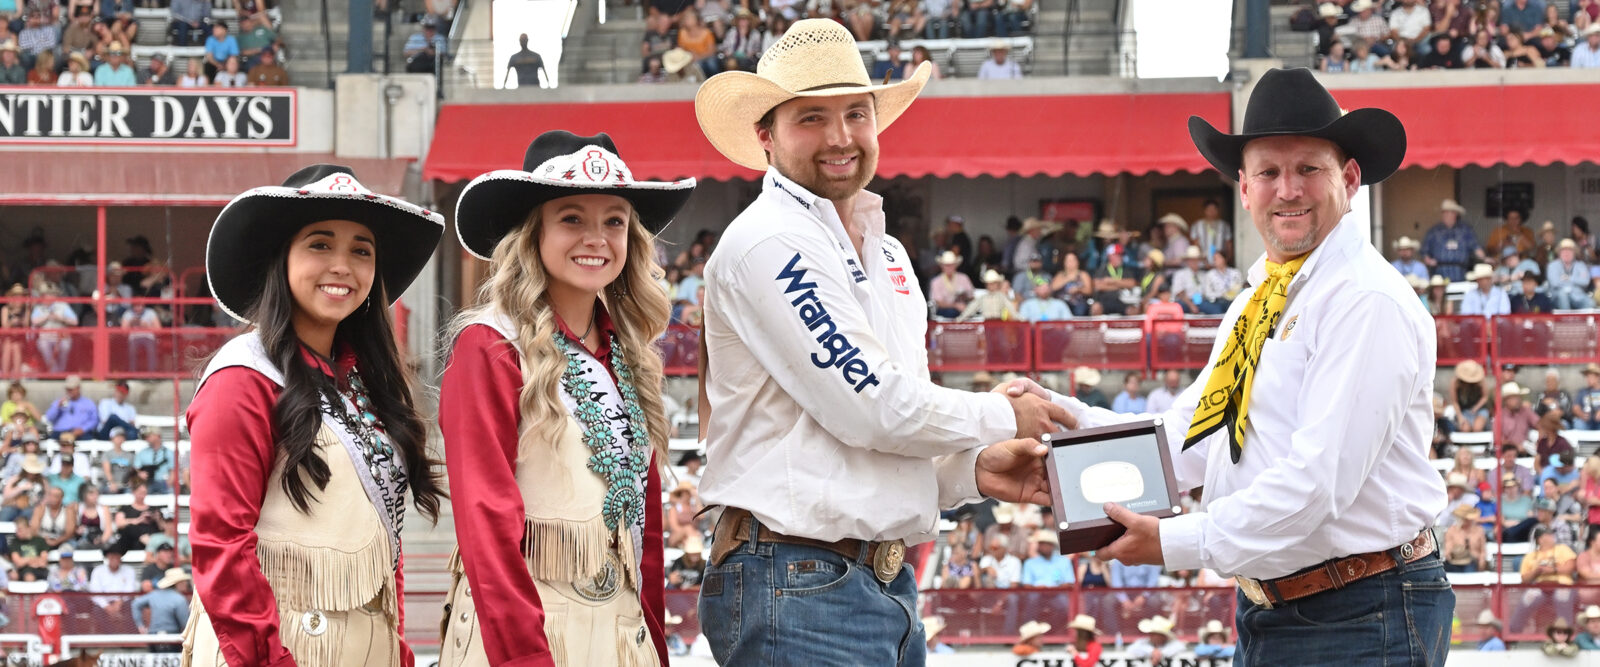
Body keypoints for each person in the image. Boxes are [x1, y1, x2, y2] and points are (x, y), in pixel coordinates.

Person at [1012, 68, 1450, 664]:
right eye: (1269, 172)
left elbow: (1317, 485)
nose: (1287, 189)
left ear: (1348, 179)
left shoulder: (1363, 298)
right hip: (1302, 604)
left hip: (1358, 608)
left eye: (1308, 169)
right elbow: (1197, 433)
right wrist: (1068, 423)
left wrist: (1172, 540)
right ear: (1244, 188)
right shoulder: (1260, 298)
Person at [690, 20, 1069, 665]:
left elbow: (878, 425)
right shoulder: (770, 240)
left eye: (856, 114)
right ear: (766, 136)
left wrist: (970, 471)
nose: (840, 137)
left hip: (859, 578)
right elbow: (871, 408)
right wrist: (1001, 413)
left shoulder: (886, 250)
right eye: (812, 118)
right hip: (798, 578)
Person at [439, 131, 696, 666]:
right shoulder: (489, 344)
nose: (596, 238)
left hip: (622, 641)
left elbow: (644, 534)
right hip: (527, 639)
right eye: (572, 218)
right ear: (532, 233)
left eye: (614, 221)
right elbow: (486, 521)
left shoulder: (629, 358)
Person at [183, 164, 446, 667]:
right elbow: (221, 544)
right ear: (279, 258)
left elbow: (381, 540)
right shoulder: (241, 378)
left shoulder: (365, 386)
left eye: (361, 250)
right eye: (320, 245)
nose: (343, 265)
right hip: (276, 647)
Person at [132, 568, 192, 642]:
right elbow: (185, 623)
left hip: (153, 636)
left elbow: (135, 604)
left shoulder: (154, 595)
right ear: (178, 583)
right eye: (183, 582)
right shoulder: (179, 599)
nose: (186, 584)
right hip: (172, 636)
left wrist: (140, 626)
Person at [45, 375, 98, 440]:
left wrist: (83, 429)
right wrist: (57, 407)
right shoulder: (59, 402)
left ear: (78, 388)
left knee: (89, 438)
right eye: (67, 389)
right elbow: (49, 418)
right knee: (52, 438)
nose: (69, 391)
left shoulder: (88, 403)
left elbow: (94, 420)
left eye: (71, 389)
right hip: (60, 432)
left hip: (81, 433)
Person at [929, 250, 974, 318]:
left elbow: (971, 297)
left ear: (955, 265)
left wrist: (964, 296)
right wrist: (956, 305)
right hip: (945, 310)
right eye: (946, 265)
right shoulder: (936, 281)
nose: (949, 267)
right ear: (942, 266)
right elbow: (939, 302)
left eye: (951, 265)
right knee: (952, 312)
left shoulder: (964, 278)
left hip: (964, 308)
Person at [1442, 504, 1486, 572]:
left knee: (1469, 568)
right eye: (1465, 519)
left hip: (1473, 562)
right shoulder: (1452, 530)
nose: (1468, 521)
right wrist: (1450, 554)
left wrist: (1481, 562)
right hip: (1455, 562)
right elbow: (1448, 549)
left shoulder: (1479, 531)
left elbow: (1483, 550)